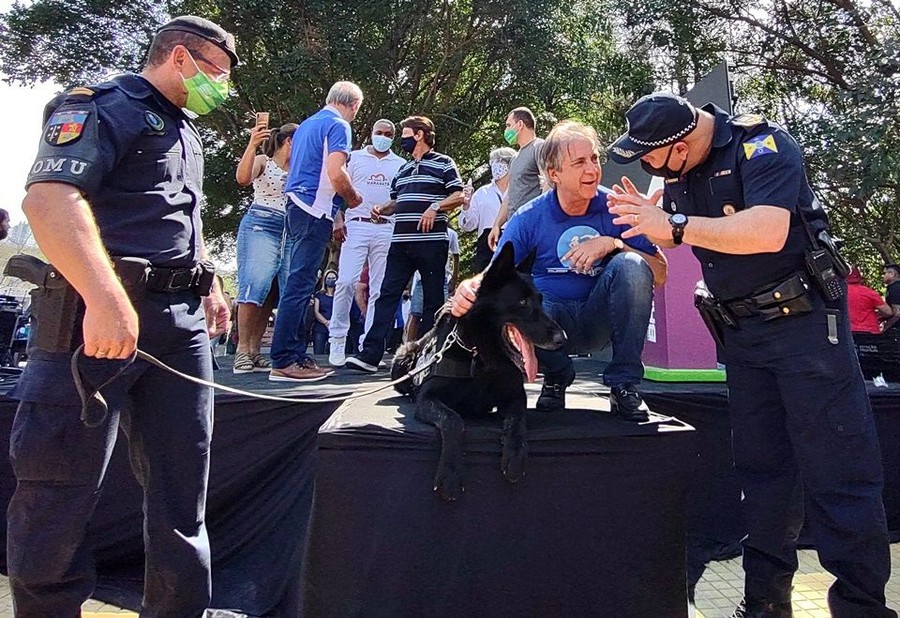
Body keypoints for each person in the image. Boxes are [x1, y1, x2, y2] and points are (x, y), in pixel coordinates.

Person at [606, 92, 895, 617]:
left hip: (806, 328)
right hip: (743, 335)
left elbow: (767, 229)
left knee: (839, 473)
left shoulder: (761, 145)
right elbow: (673, 234)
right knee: (763, 475)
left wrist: (672, 225)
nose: (646, 165)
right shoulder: (677, 171)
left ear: (680, 144)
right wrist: (650, 220)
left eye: (650, 156)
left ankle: (862, 608)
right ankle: (765, 604)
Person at [8, 15, 235, 616]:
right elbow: (51, 200)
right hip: (93, 318)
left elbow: (175, 217)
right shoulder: (103, 105)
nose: (223, 85)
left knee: (182, 494)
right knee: (59, 491)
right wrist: (108, 299)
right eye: (217, 70)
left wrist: (207, 283)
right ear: (180, 58)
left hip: (176, 323)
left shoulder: (185, 130)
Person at [452, 120, 667, 421]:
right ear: (554, 173)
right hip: (549, 322)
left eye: (594, 159)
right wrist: (467, 286)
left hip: (599, 319)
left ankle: (624, 386)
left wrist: (614, 244)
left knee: (631, 265)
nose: (592, 170)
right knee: (520, 301)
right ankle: (555, 377)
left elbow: (659, 272)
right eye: (579, 162)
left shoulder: (615, 208)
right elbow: (494, 278)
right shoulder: (530, 217)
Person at [345, 116, 464, 373]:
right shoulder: (403, 170)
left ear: (420, 135)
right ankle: (370, 354)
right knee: (387, 295)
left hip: (431, 243)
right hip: (400, 243)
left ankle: (426, 357)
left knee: (433, 301)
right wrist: (382, 209)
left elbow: (459, 194)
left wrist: (435, 207)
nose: (402, 139)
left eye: (406, 133)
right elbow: (397, 202)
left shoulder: (444, 163)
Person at [269, 81, 364, 382]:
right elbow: (336, 172)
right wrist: (353, 198)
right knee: (299, 285)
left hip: (298, 206)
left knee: (298, 284)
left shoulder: (308, 125)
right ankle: (284, 359)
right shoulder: (338, 125)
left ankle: (294, 354)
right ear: (354, 105)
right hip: (313, 210)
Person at [328, 119, 405, 366]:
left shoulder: (400, 164)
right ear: (372, 133)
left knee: (379, 290)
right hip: (356, 225)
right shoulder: (354, 157)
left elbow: (401, 200)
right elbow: (335, 187)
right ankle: (337, 339)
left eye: (388, 133)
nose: (383, 136)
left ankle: (369, 345)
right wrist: (336, 216)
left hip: (386, 228)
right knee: (346, 281)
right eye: (379, 132)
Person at [233, 121, 298, 373]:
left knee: (272, 292)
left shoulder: (300, 169)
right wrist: (252, 144)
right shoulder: (264, 161)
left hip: (290, 228)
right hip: (262, 222)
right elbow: (242, 178)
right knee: (254, 284)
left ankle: (254, 349)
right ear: (289, 141)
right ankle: (241, 349)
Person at [487, 107, 545, 250]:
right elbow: (509, 195)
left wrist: (542, 221)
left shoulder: (539, 147)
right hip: (514, 227)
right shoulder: (515, 157)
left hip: (533, 228)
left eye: (508, 125)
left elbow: (548, 184)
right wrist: (496, 225)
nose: (506, 130)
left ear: (520, 125)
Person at [459, 147, 516, 271]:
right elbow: (467, 226)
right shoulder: (482, 193)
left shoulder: (520, 191)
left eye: (500, 161)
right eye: (493, 162)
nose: (495, 166)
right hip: (486, 245)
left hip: (514, 242)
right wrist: (466, 205)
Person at [406, 226, 460, 342]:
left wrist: (454, 279)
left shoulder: (451, 234)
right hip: (421, 279)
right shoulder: (422, 229)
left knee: (442, 314)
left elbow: (456, 255)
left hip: (442, 279)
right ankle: (408, 346)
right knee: (415, 313)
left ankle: (437, 343)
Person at [847, 267, 892, 334]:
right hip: (869, 331)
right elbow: (888, 312)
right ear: (860, 278)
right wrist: (878, 315)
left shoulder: (840, 293)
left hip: (847, 331)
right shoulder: (869, 293)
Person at [311, 269, 337, 354]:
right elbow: (316, 312)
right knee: (319, 353)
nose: (331, 280)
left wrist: (333, 322)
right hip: (320, 328)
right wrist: (326, 322)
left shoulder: (339, 296)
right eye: (328, 278)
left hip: (336, 327)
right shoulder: (319, 295)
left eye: (333, 278)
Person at [883, 264, 900, 331]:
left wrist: (886, 328)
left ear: (891, 274)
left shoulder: (895, 288)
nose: (883, 276)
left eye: (885, 273)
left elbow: (898, 313)